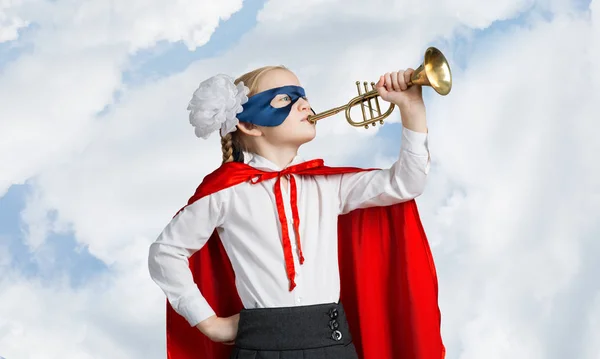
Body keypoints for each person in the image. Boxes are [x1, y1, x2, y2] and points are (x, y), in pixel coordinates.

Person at [148, 65, 445, 359]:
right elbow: (165, 252)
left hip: (332, 343)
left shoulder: (329, 185)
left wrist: (412, 107)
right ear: (250, 125)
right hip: (261, 346)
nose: (305, 104)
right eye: (285, 99)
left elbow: (406, 183)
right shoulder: (226, 191)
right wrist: (209, 323)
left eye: (302, 96)